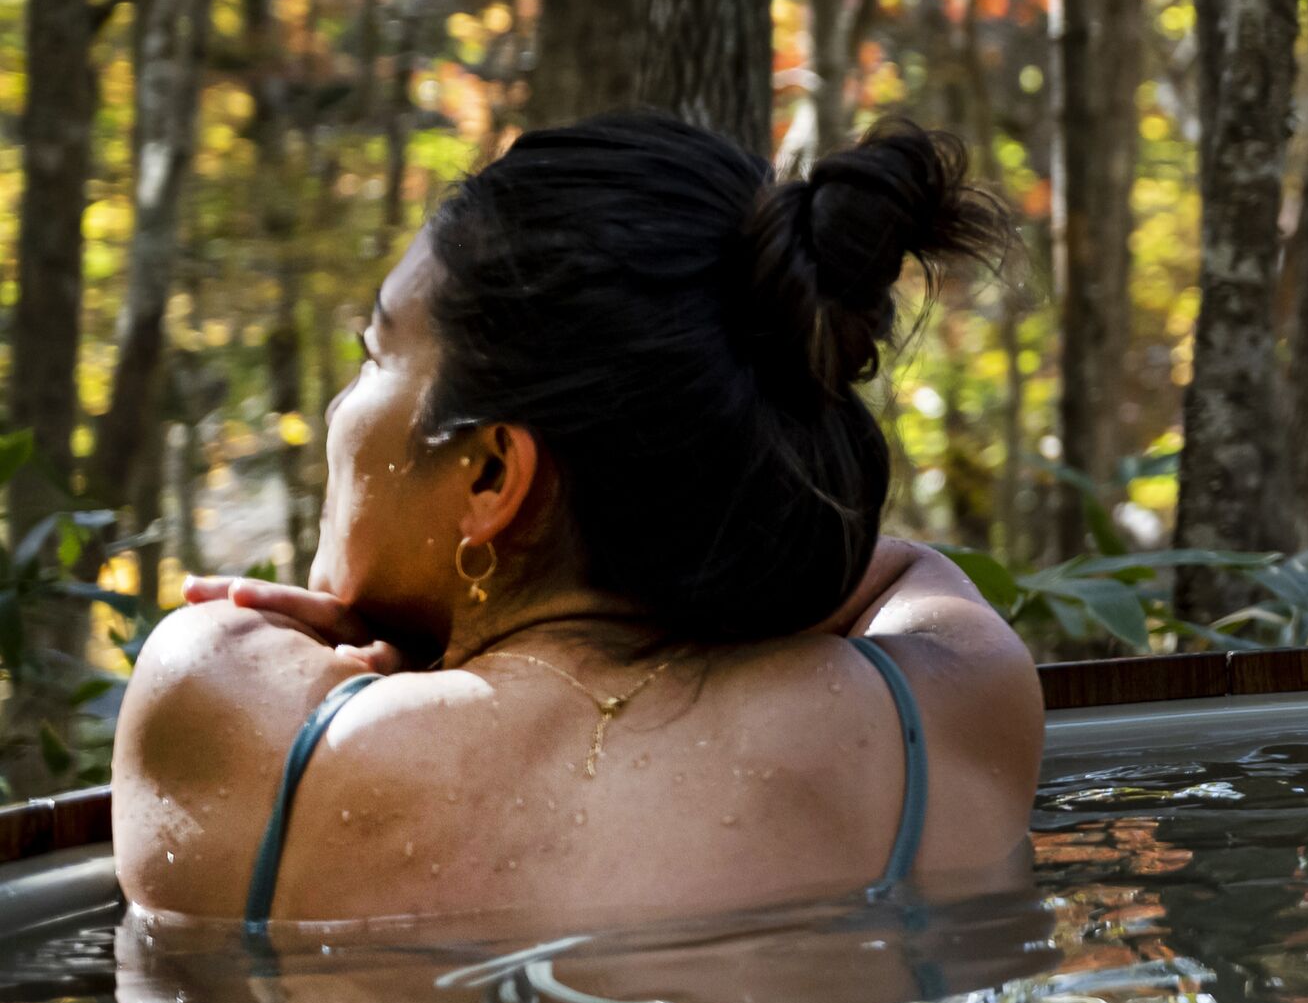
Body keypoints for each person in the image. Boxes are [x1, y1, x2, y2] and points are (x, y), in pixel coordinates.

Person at [115, 114, 1047, 930]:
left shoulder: (244, 714)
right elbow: (896, 571)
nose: (336, 410)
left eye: (372, 354)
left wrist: (422, 640)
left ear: (491, 473)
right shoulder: (939, 709)